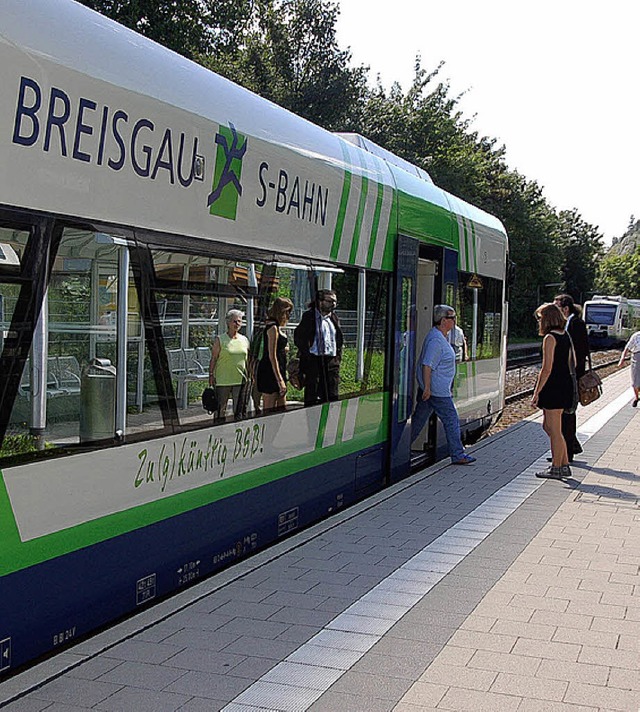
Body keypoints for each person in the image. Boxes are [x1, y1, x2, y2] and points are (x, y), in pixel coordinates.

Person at [411, 304, 476, 465]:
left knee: (418, 421)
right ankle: (458, 454)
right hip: (437, 391)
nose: (454, 321)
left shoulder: (440, 336)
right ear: (442, 320)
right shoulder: (436, 340)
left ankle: (400, 447)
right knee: (451, 419)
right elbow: (427, 364)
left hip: (433, 389)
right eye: (451, 318)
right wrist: (427, 387)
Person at [531, 303, 576, 479]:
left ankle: (556, 467)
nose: (539, 321)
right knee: (548, 426)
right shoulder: (566, 336)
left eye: (541, 318)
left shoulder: (550, 338)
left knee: (555, 429)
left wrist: (536, 392)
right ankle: (563, 463)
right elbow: (573, 362)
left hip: (553, 386)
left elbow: (546, 368)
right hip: (564, 384)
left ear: (547, 318)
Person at [554, 294, 590, 461]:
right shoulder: (569, 323)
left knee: (568, 413)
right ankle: (566, 450)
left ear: (565, 309)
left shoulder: (576, 324)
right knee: (565, 414)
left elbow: (579, 351)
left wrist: (572, 372)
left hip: (572, 375)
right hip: (569, 374)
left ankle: (567, 452)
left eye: (557, 307)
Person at [294, 289, 344, 406]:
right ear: (320, 301)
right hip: (314, 361)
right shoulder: (309, 317)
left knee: (331, 394)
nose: (333, 304)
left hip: (331, 362)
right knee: (312, 393)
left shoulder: (334, 318)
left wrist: (337, 357)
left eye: (335, 302)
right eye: (330, 301)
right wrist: (306, 353)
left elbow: (339, 339)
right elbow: (299, 337)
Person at [208, 309, 249, 419]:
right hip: (223, 380)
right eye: (234, 321)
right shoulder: (220, 339)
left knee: (239, 410)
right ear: (228, 322)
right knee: (221, 409)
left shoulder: (244, 339)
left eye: (239, 321)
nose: (237, 324)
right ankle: (218, 432)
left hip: (240, 379)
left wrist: (250, 374)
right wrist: (211, 374)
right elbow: (214, 358)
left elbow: (247, 359)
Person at [257, 297, 293, 411]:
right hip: (270, 372)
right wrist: (280, 380)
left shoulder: (278, 327)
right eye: (287, 312)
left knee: (282, 408)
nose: (288, 315)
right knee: (269, 410)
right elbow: (272, 356)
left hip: (280, 369)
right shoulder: (272, 328)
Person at [618, 329, 640, 407]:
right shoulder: (636, 336)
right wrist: (622, 359)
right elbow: (627, 348)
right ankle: (637, 397)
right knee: (635, 382)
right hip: (637, 359)